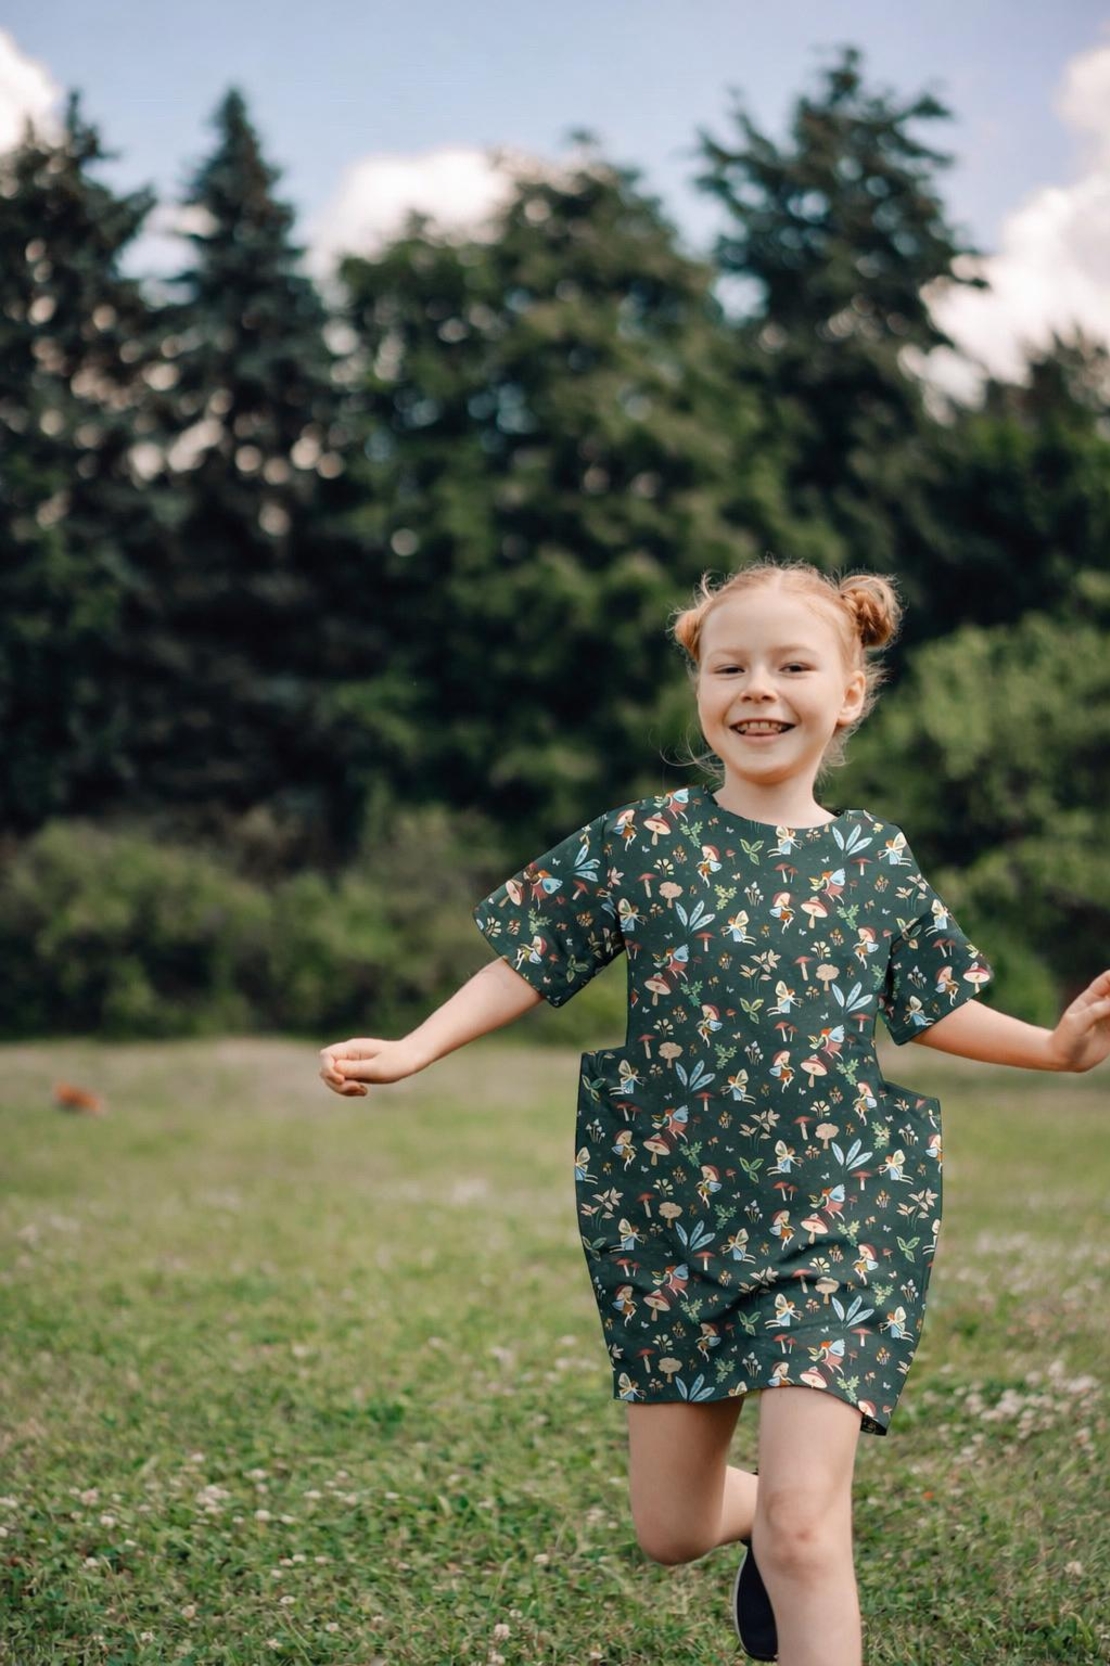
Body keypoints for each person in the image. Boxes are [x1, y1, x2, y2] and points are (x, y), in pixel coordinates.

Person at [319, 560, 1110, 1666]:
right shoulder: (646, 841)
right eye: (729, 666)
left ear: (849, 694)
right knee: (672, 1527)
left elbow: (933, 1005)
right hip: (674, 1216)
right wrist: (415, 1046)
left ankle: (793, 1535)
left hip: (838, 1210)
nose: (758, 689)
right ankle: (762, 1530)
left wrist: (1055, 1050)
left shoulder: (875, 859)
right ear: (700, 686)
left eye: (793, 666)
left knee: (805, 1522)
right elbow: (529, 958)